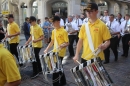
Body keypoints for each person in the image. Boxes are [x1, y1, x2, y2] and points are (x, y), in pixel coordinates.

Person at [44, 16, 69, 86]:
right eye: (52, 22)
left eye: (54, 22)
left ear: (58, 22)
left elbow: (67, 43)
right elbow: (52, 42)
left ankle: (55, 84)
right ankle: (63, 81)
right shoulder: (53, 31)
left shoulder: (64, 31)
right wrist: (46, 49)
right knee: (59, 67)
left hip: (61, 53)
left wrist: (62, 45)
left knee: (55, 69)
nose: (53, 24)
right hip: (55, 52)